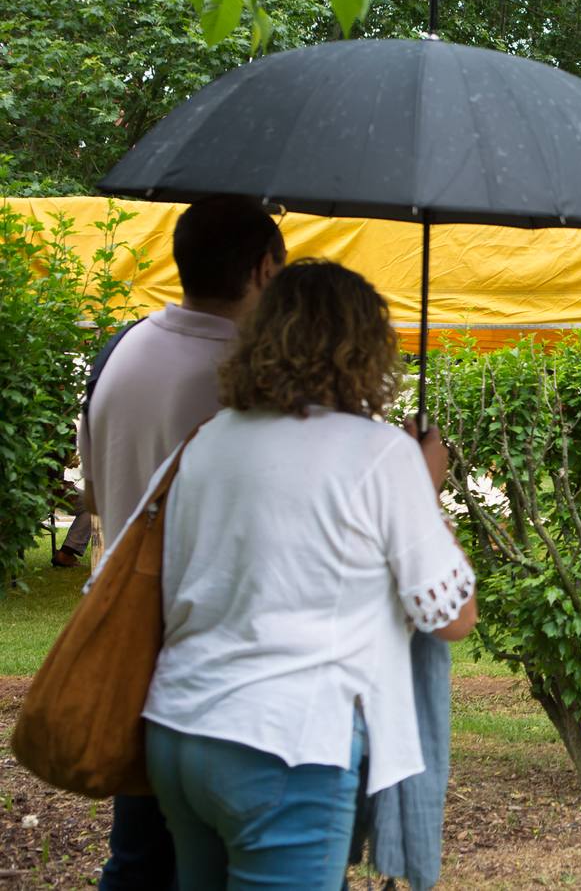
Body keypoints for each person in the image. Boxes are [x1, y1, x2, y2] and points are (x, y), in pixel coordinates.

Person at [138, 261, 476, 888]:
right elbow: (450, 617)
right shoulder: (378, 454)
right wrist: (424, 487)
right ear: (364, 350)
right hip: (286, 744)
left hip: (179, 731)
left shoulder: (208, 439)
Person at [78, 194, 286, 890]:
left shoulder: (122, 349)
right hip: (221, 659)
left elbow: (94, 493)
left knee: (140, 858)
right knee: (245, 860)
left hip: (128, 633)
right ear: (263, 269)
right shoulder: (249, 375)